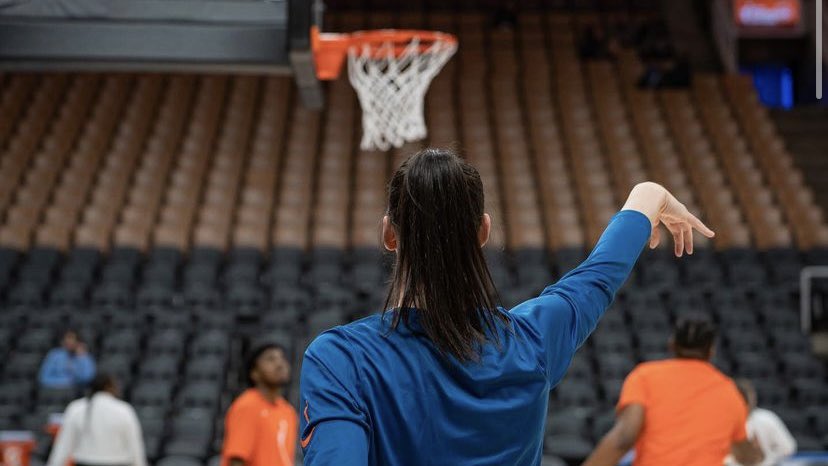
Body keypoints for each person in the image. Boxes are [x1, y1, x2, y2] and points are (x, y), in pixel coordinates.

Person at [299, 148, 715, 465]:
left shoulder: (339, 359)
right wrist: (650, 194)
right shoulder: (532, 341)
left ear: (389, 234)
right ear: (483, 230)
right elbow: (601, 273)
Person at [583, 314, 765, 466]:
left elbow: (625, 437)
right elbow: (745, 454)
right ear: (711, 351)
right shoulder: (730, 391)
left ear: (672, 344)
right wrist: (757, 454)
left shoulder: (645, 376)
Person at [222, 343, 297, 466]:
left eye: (282, 358)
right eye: (270, 359)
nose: (280, 364)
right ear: (254, 373)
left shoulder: (288, 411)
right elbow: (236, 460)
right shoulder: (247, 406)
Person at [47, 373, 146, 466]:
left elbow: (63, 447)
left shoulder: (76, 408)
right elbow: (135, 447)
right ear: (110, 387)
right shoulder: (124, 410)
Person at [726, 379, 797, 466]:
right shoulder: (724, 423)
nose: (752, 400)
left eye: (752, 396)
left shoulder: (766, 418)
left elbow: (788, 448)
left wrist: (766, 457)